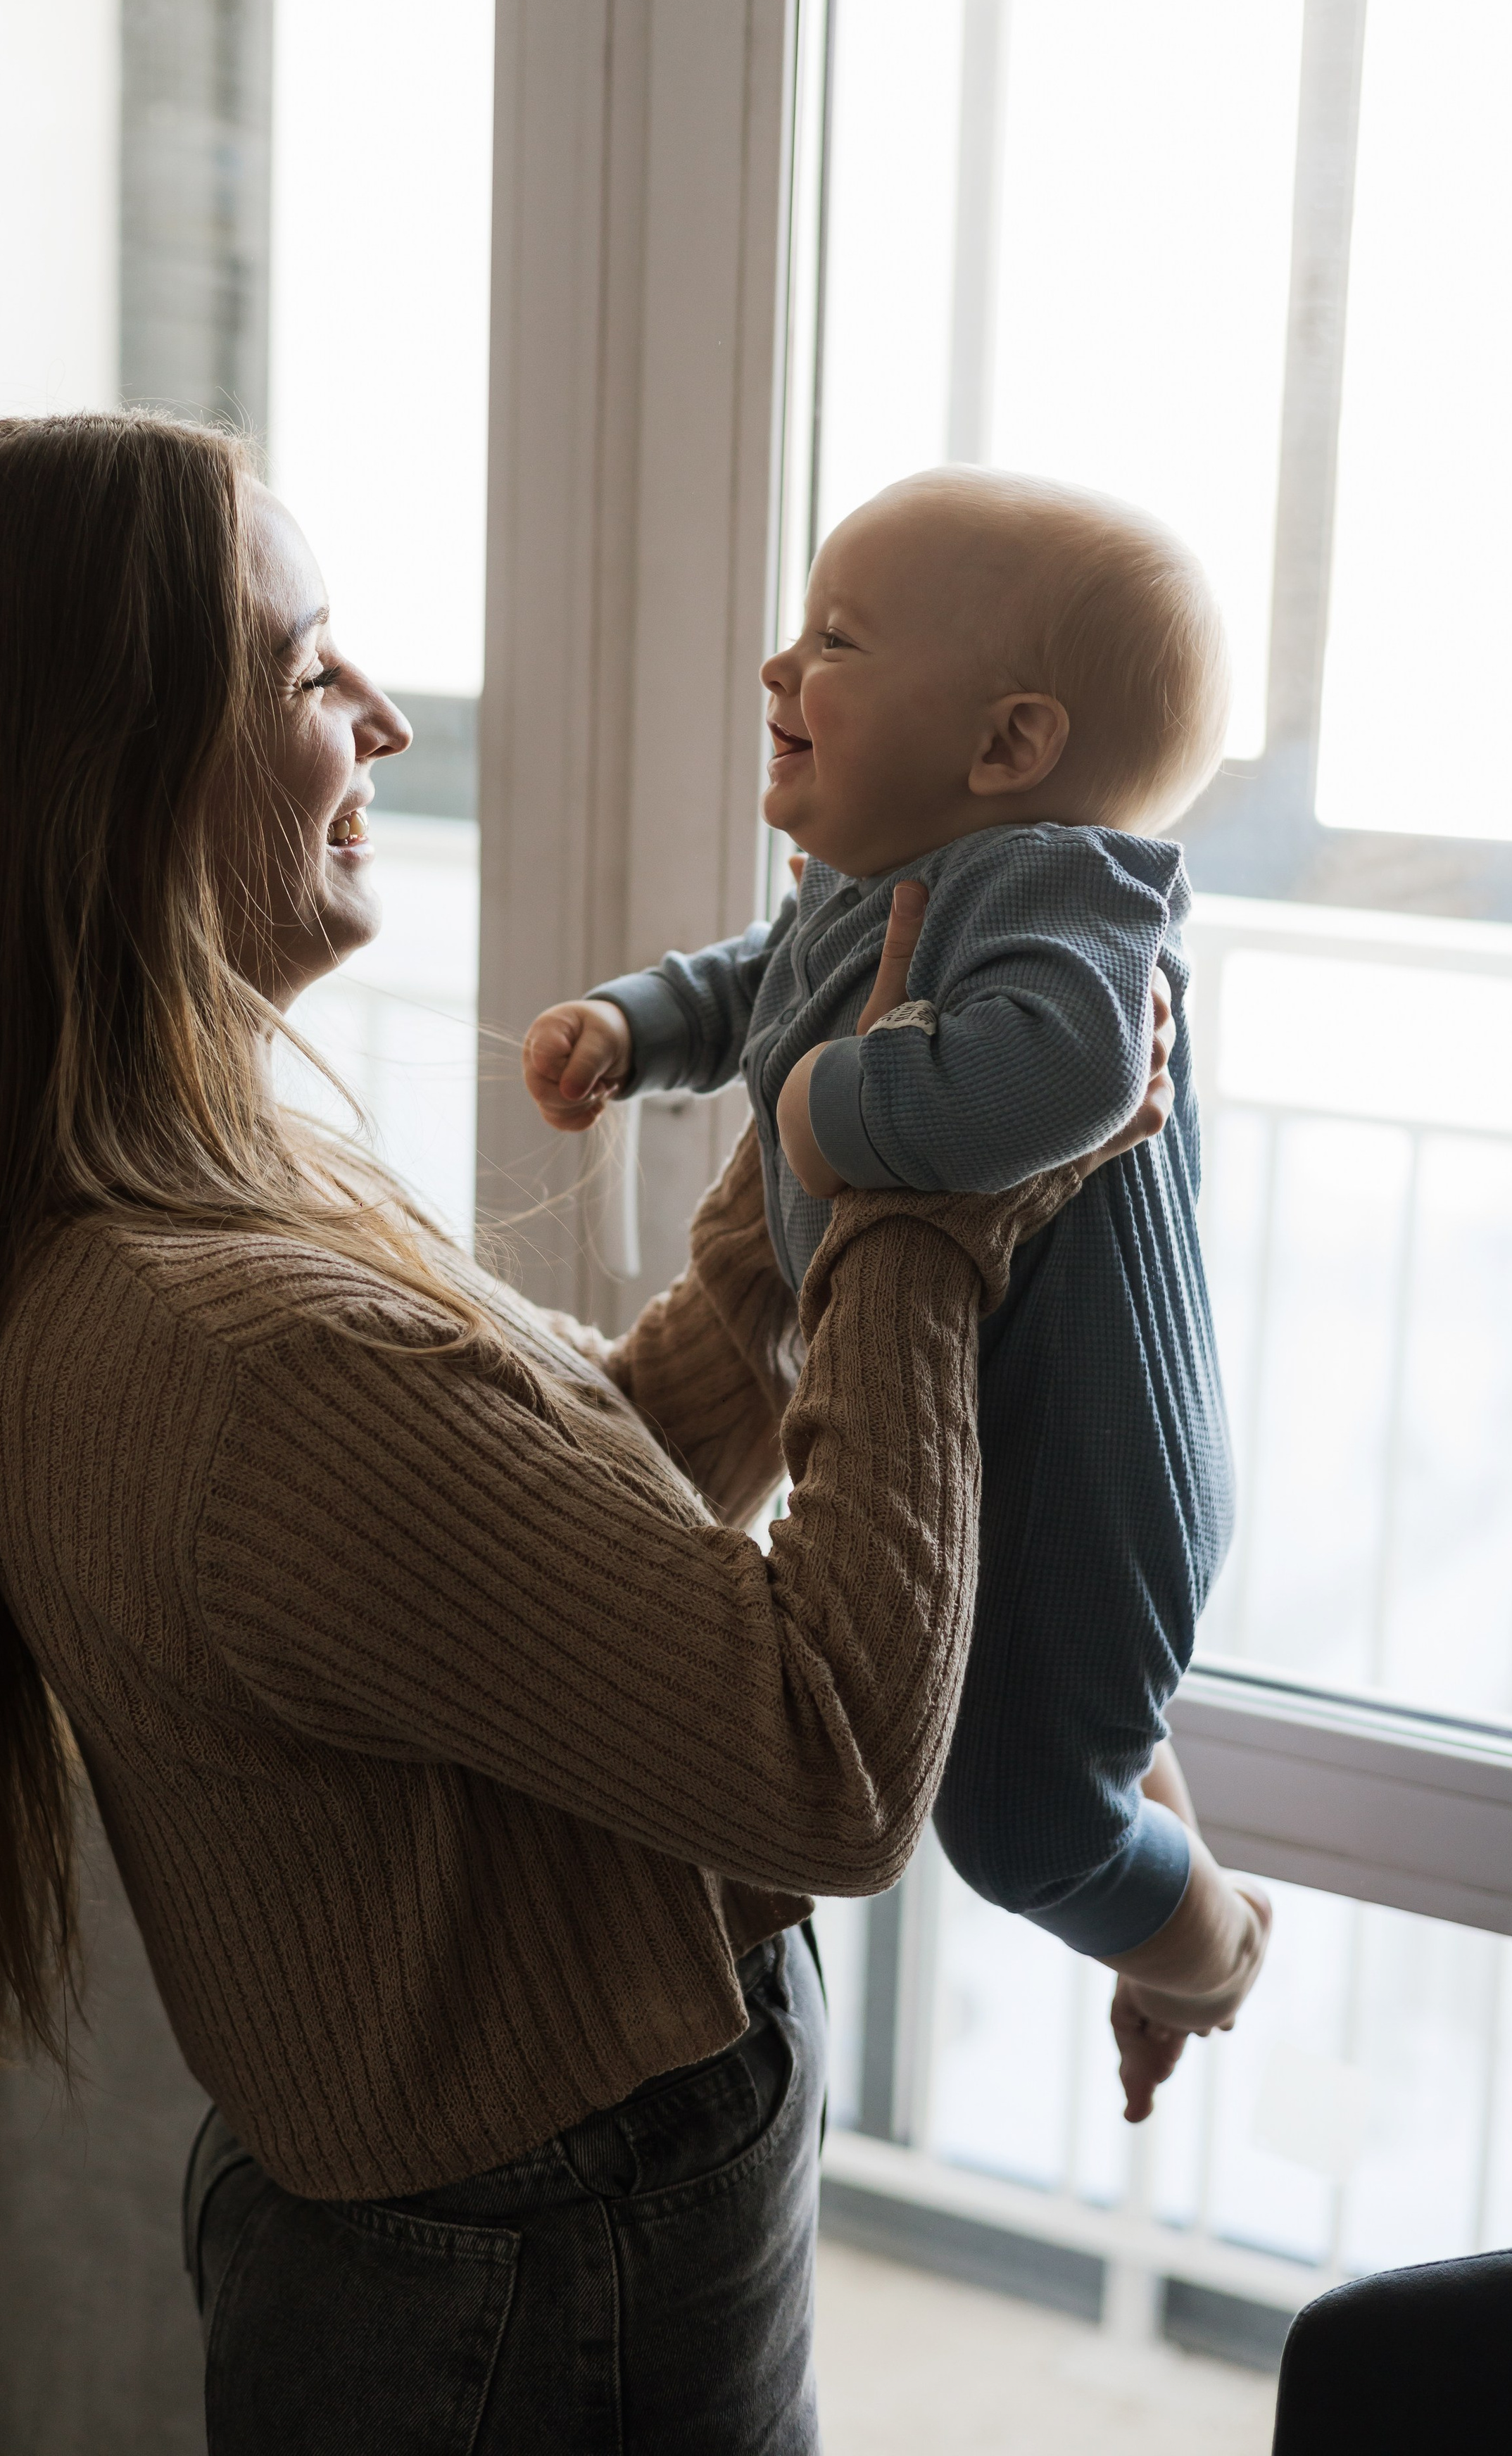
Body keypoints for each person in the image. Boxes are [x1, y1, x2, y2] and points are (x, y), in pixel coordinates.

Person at [0, 415, 1233, 2455]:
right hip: (544, 2285)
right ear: (91, 779)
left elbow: (536, 1537)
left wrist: (794, 1230)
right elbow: (829, 1768)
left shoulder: (164, 1214)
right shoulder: (227, 1347)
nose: (383, 724)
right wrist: (917, 1194)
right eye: (306, 667)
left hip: (504, 2245)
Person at [524, 467, 1271, 2117]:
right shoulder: (887, 876)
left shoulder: (1063, 888)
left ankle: (1202, 1954)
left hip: (1084, 1464)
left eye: (836, 640)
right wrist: (638, 1026)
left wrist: (829, 1111)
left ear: (1005, 748)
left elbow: (1078, 1066)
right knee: (1056, 1725)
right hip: (992, 1435)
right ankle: (1144, 1830)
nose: (780, 672)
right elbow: (765, 981)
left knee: (1013, 1824)